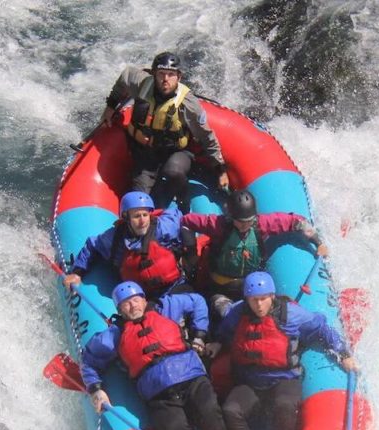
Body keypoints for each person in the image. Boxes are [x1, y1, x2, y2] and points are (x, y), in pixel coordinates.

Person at [205, 272, 357, 430]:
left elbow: (321, 328)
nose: (258, 305)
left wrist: (343, 354)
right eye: (253, 300)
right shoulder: (238, 312)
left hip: (284, 379)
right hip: (250, 383)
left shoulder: (291, 314)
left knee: (284, 405)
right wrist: (217, 343)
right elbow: (224, 330)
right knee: (230, 410)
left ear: (272, 296)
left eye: (263, 299)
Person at [80, 281, 232, 430]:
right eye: (126, 303)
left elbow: (197, 301)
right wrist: (96, 388)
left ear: (144, 300)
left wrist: (199, 334)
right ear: (120, 310)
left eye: (136, 300)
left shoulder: (164, 308)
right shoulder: (114, 335)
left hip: (192, 378)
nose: (133, 305)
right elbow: (89, 360)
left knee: (210, 415)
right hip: (159, 395)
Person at [95, 51, 229, 207]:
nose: (166, 79)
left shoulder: (188, 104)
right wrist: (111, 106)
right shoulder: (141, 82)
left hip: (177, 152)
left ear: (179, 77)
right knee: (140, 201)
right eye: (161, 74)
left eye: (171, 74)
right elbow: (125, 76)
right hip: (146, 154)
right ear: (153, 74)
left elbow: (206, 136)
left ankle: (183, 198)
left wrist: (221, 170)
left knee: (173, 171)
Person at [180, 189, 329, 315]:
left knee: (271, 313)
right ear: (231, 217)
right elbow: (186, 222)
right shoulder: (218, 225)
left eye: (248, 221)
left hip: (251, 287)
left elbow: (295, 222)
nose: (245, 225)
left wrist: (318, 242)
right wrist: (191, 254)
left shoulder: (261, 224)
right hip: (220, 289)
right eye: (240, 221)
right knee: (226, 313)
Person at [63, 191, 197, 298]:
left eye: (145, 215)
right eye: (137, 216)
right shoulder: (114, 238)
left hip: (174, 285)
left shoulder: (163, 227)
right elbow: (92, 246)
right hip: (140, 297)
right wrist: (77, 272)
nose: (142, 221)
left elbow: (179, 217)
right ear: (126, 218)